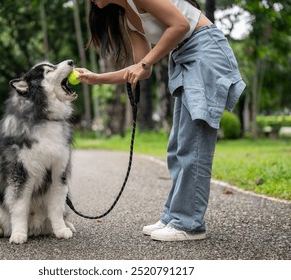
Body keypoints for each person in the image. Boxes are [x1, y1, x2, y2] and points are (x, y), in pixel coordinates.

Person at [77, 0, 246, 242]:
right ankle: (173, 217)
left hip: (204, 49)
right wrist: (96, 78)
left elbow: (179, 24)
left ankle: (188, 223)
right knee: (177, 145)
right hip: (184, 55)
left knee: (192, 143)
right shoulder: (127, 18)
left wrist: (146, 63)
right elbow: (141, 69)